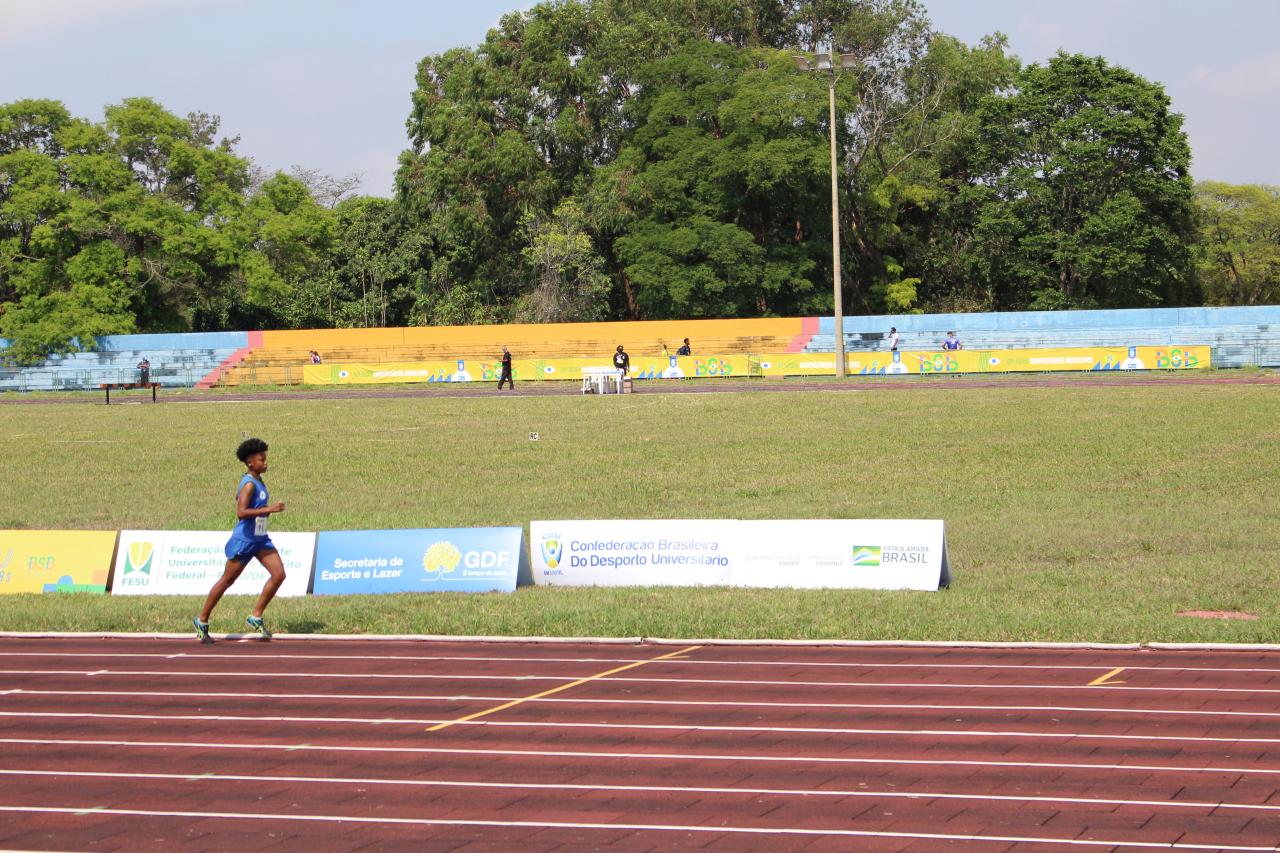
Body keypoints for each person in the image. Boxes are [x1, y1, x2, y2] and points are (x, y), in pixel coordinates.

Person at [193, 437, 287, 643]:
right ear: (250, 463)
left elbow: (256, 510)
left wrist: (265, 513)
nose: (266, 462)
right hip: (245, 540)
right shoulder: (248, 485)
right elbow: (241, 512)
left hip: (260, 540)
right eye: (262, 459)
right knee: (227, 580)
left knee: (279, 574)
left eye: (265, 458)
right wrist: (269, 509)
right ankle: (202, 620)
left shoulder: (259, 481)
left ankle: (256, 615)